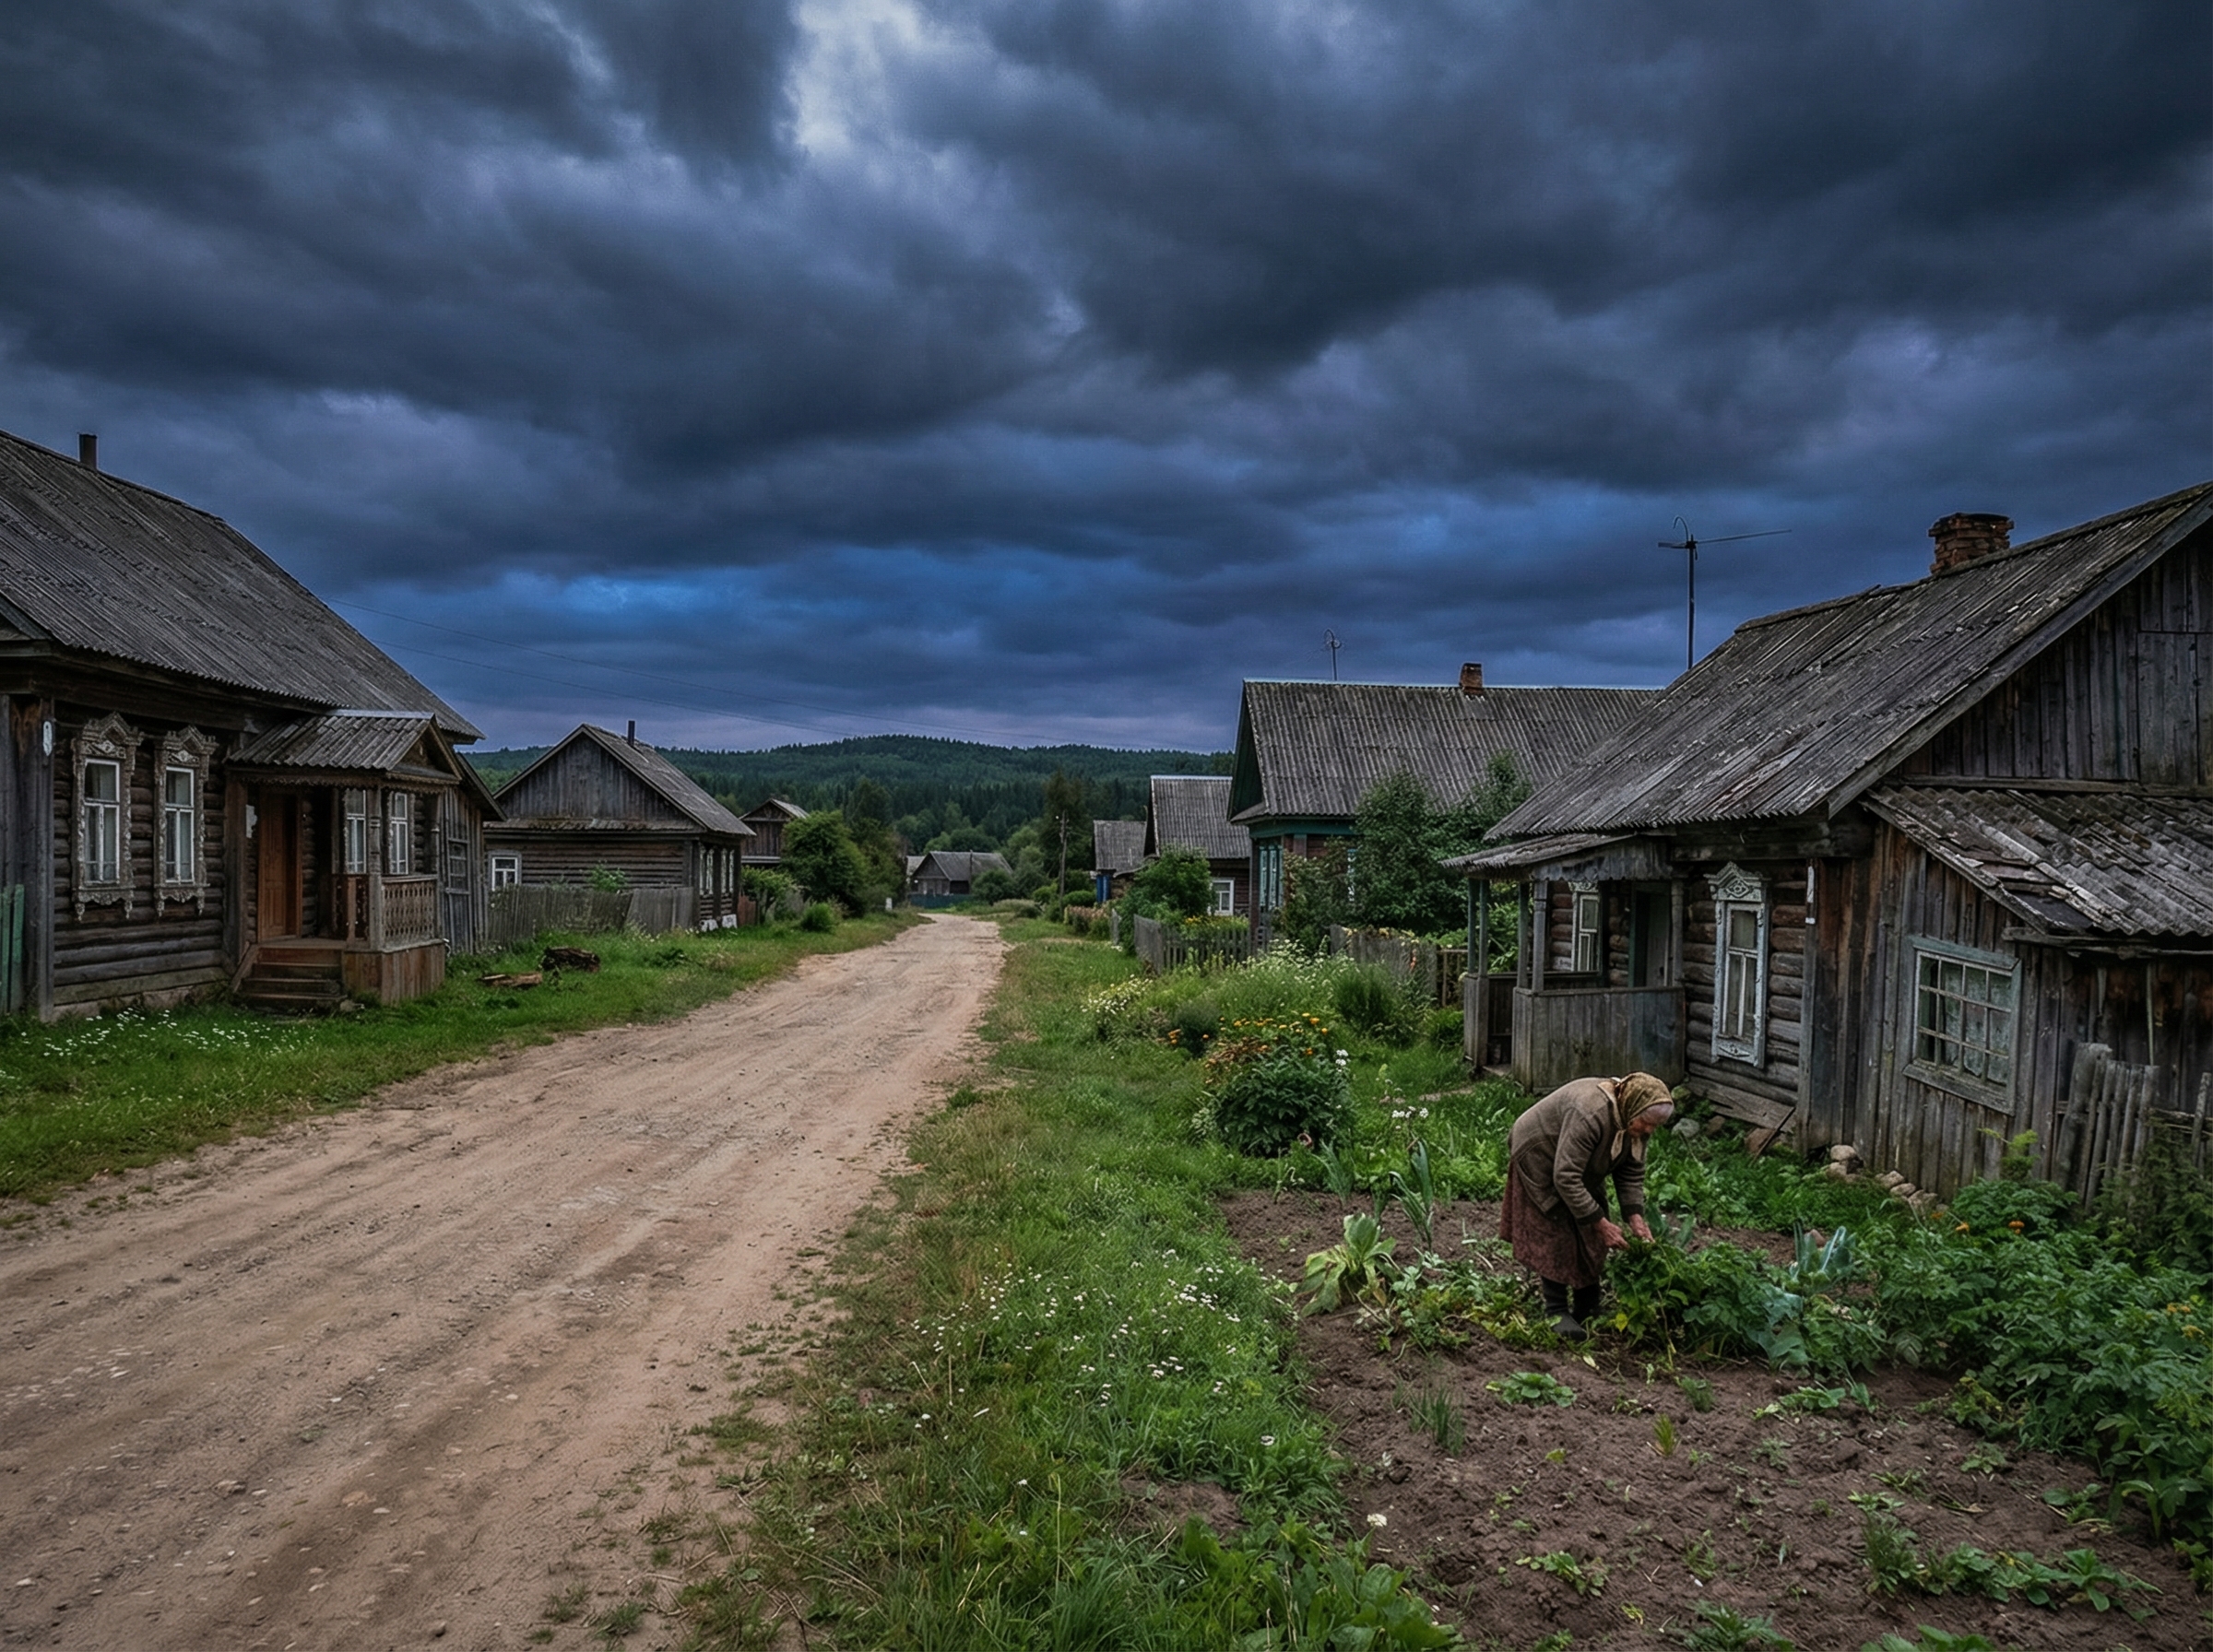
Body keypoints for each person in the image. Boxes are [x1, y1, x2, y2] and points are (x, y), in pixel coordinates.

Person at [1499, 1072, 1675, 1339]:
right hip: (1540, 1154)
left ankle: (1587, 1305)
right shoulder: (1590, 1114)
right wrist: (1601, 1224)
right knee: (1557, 1227)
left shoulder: (1634, 1118)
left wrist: (1634, 1216)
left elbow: (1630, 1170)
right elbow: (1565, 1177)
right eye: (1646, 1124)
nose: (1649, 1131)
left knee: (1592, 1227)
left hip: (1577, 1163)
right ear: (1634, 1108)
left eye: (1655, 1127)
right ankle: (1556, 1311)